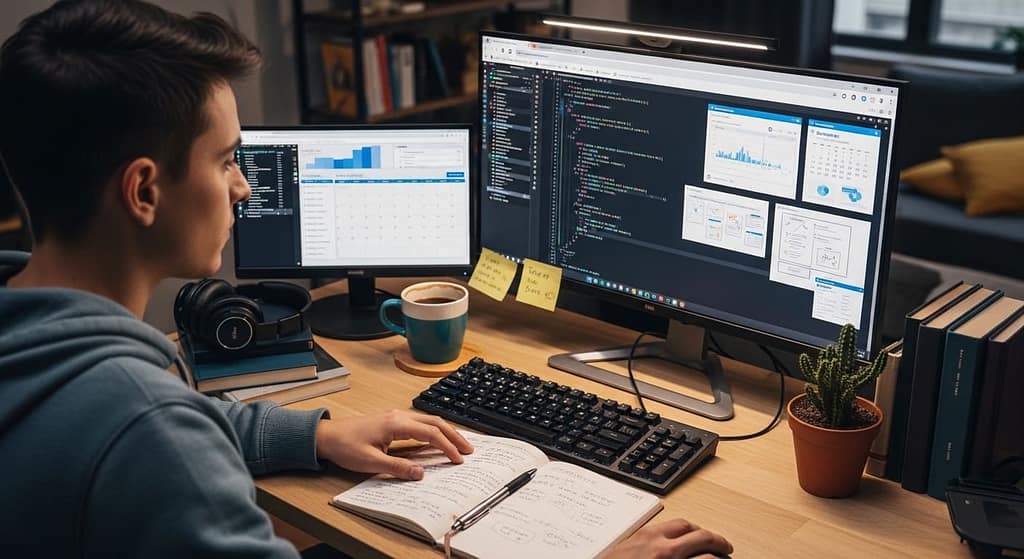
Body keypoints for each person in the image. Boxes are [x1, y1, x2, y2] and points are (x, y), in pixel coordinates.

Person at [0, 1, 732, 558]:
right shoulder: (148, 428)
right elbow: (158, 435)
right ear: (143, 192)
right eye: (226, 159)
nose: (245, 189)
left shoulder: (31, 336)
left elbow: (171, 428)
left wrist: (318, 434)